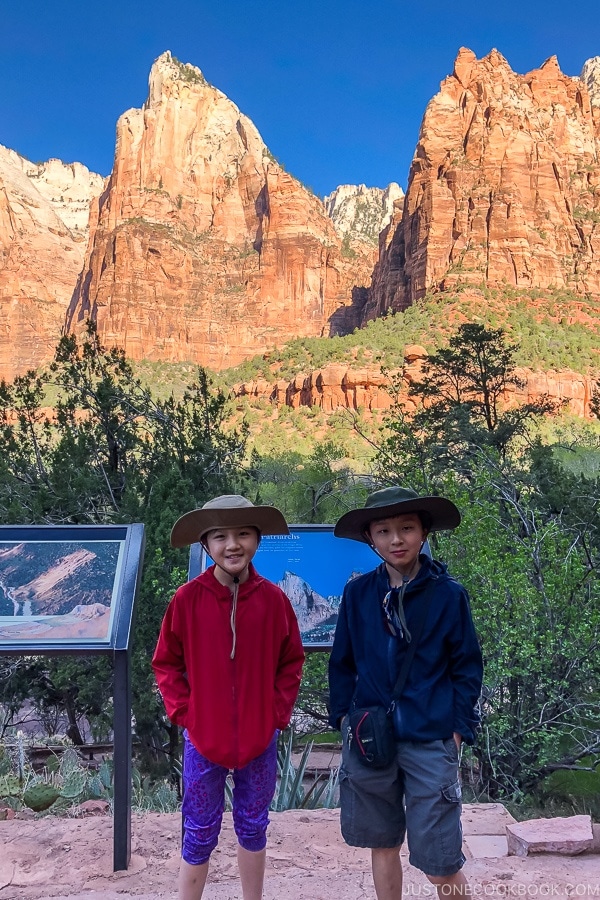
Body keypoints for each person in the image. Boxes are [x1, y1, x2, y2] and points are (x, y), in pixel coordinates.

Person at [328, 486, 483, 899]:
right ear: (370, 538)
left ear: (424, 533)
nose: (396, 539)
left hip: (430, 736)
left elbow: (467, 667)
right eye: (383, 531)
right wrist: (343, 719)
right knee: (383, 843)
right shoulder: (358, 594)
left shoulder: (448, 596)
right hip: (369, 735)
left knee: (440, 859)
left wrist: (458, 728)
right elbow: (342, 662)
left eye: (407, 528)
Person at [152, 495, 304, 900]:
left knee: (253, 826)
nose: (232, 545)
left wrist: (276, 713)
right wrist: (186, 712)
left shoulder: (274, 601)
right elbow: (166, 662)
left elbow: (291, 660)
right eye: (219, 536)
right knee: (199, 829)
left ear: (257, 539)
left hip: (259, 738)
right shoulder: (187, 600)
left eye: (242, 534)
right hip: (204, 739)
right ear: (206, 546)